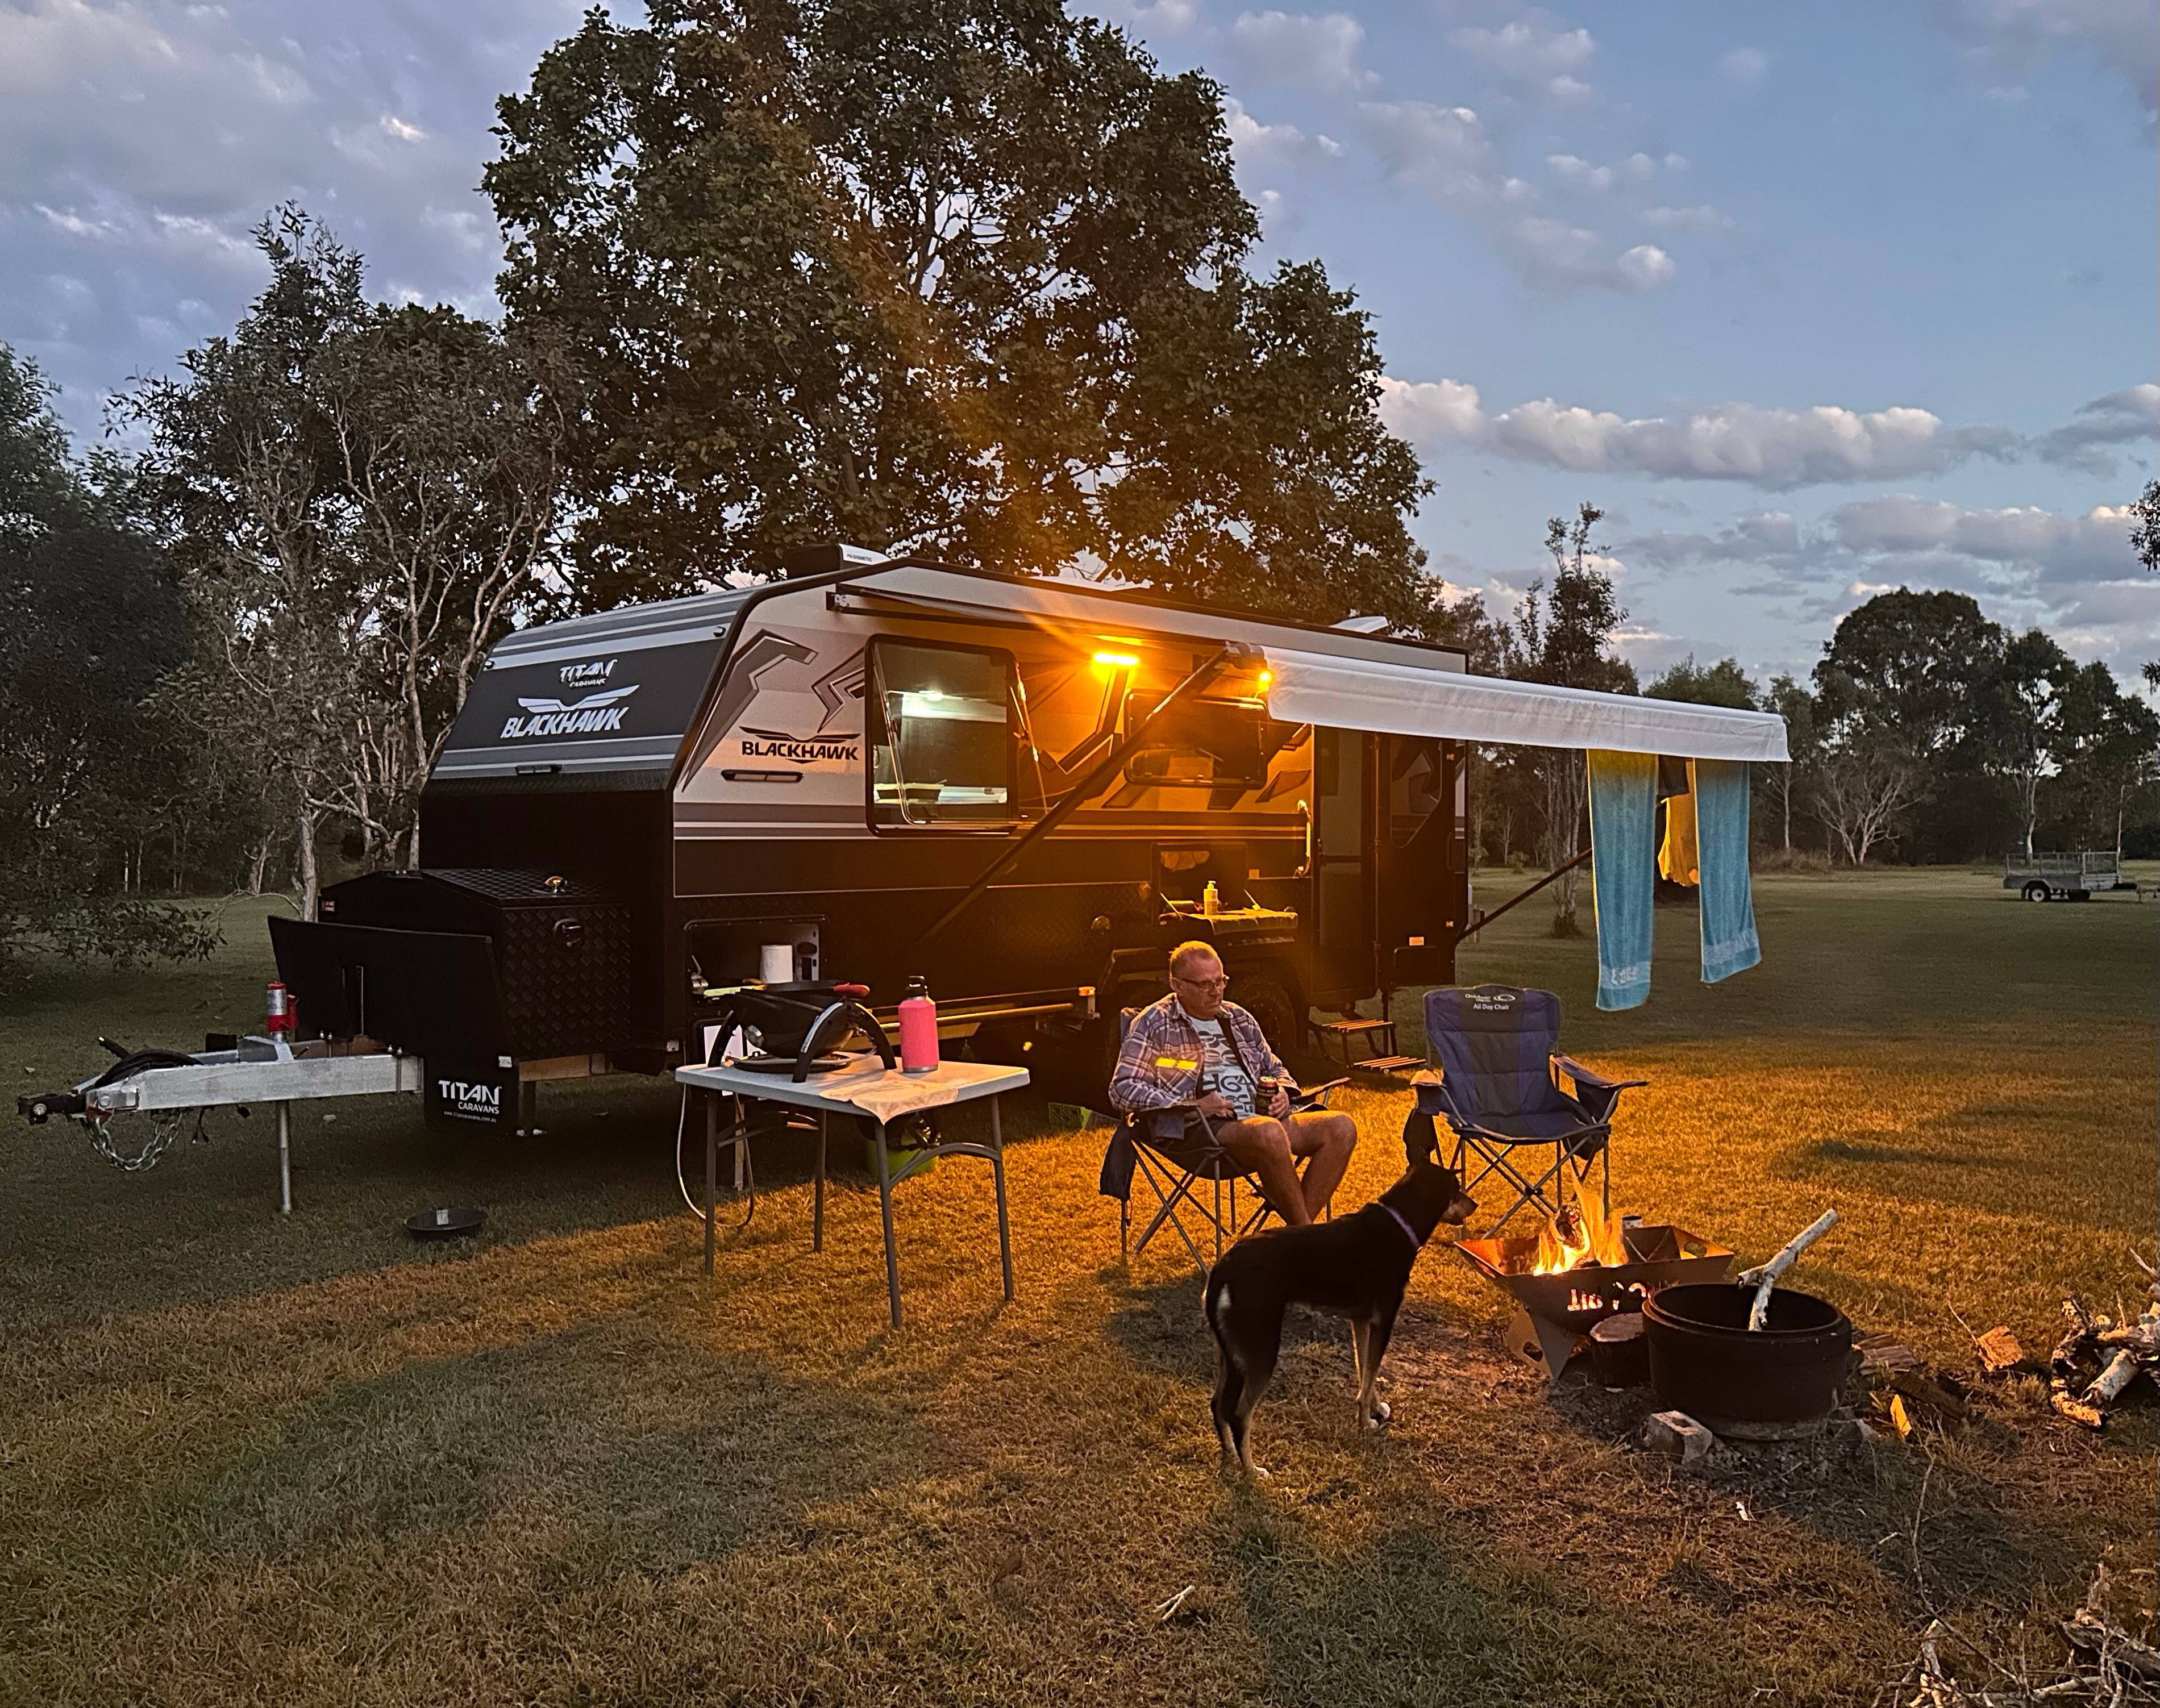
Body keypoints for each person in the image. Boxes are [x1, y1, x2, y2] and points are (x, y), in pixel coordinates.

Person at [1109, 942, 1358, 1226]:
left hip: (1266, 1120)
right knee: (1269, 1132)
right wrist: (1193, 1106)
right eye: (1204, 985)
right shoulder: (1153, 1023)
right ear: (1176, 984)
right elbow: (1123, 1088)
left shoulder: (1239, 1018)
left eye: (1220, 981)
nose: (1216, 992)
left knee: (1341, 1127)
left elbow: (1274, 1067)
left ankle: (1294, 1237)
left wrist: (1283, 1091)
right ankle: (1306, 1239)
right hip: (1202, 1132)